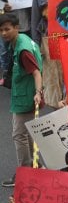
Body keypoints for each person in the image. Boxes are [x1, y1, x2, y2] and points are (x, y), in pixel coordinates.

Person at [1, 13, 43, 188]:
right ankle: (36, 165)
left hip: (26, 96)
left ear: (17, 27)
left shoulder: (23, 50)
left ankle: (24, 171)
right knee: (29, 132)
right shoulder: (23, 38)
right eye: (1, 30)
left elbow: (36, 72)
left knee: (19, 135)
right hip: (25, 92)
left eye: (7, 29)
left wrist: (38, 92)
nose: (4, 33)